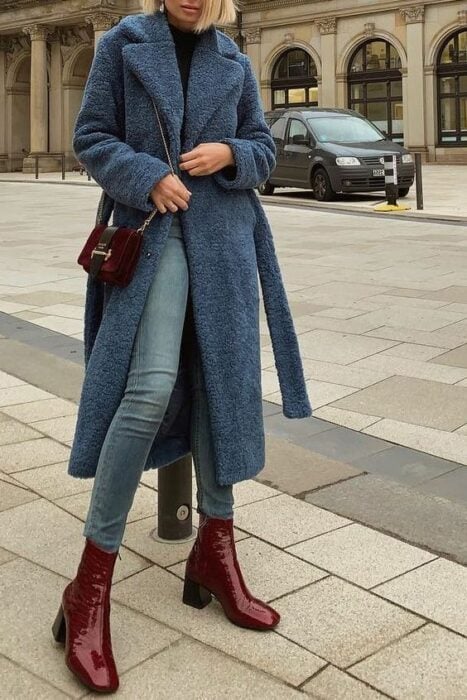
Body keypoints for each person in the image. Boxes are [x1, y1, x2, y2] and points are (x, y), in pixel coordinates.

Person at [52, 0, 311, 693]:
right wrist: (146, 173)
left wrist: (231, 153)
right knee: (148, 387)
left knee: (221, 388)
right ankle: (89, 586)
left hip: (225, 240)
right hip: (154, 230)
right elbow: (92, 137)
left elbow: (262, 145)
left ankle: (214, 555)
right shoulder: (123, 44)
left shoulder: (233, 57)